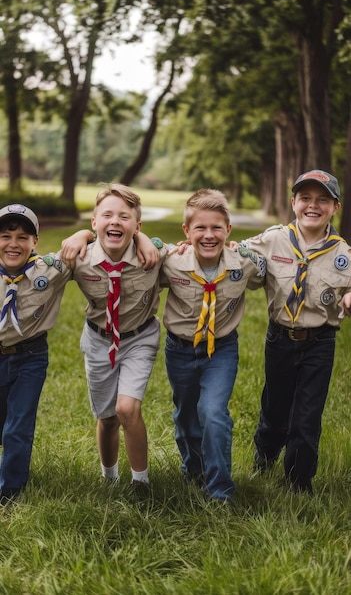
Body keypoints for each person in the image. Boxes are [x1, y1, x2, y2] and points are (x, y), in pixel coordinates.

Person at [239, 169, 351, 494]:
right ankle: (265, 452)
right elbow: (234, 253)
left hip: (320, 342)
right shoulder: (273, 238)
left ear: (335, 207)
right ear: (293, 202)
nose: (312, 206)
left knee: (307, 415)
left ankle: (298, 483)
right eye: (305, 198)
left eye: (322, 200)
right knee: (275, 408)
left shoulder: (343, 253)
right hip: (279, 338)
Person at [159, 189, 266, 502]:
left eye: (217, 228)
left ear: (229, 230)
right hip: (179, 349)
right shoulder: (171, 261)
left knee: (213, 412)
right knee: (186, 415)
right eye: (200, 228)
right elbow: (140, 256)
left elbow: (269, 270)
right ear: (186, 232)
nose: (209, 235)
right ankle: (194, 469)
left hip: (221, 349)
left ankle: (220, 490)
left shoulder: (242, 263)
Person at [62, 184, 166, 488]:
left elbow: (191, 259)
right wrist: (79, 235)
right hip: (98, 340)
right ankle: (109, 478)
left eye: (124, 217)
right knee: (107, 418)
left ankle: (141, 484)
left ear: (137, 226)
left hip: (139, 337)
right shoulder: (79, 257)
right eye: (107, 215)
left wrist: (147, 241)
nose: (115, 221)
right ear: (95, 223)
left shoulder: (153, 255)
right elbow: (37, 273)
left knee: (127, 408)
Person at [0, 204, 82, 505]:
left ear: (35, 241)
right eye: (5, 236)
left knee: (18, 426)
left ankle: (9, 492)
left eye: (23, 237)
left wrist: (81, 234)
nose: (13, 244)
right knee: (4, 426)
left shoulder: (49, 269)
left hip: (30, 357)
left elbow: (94, 245)